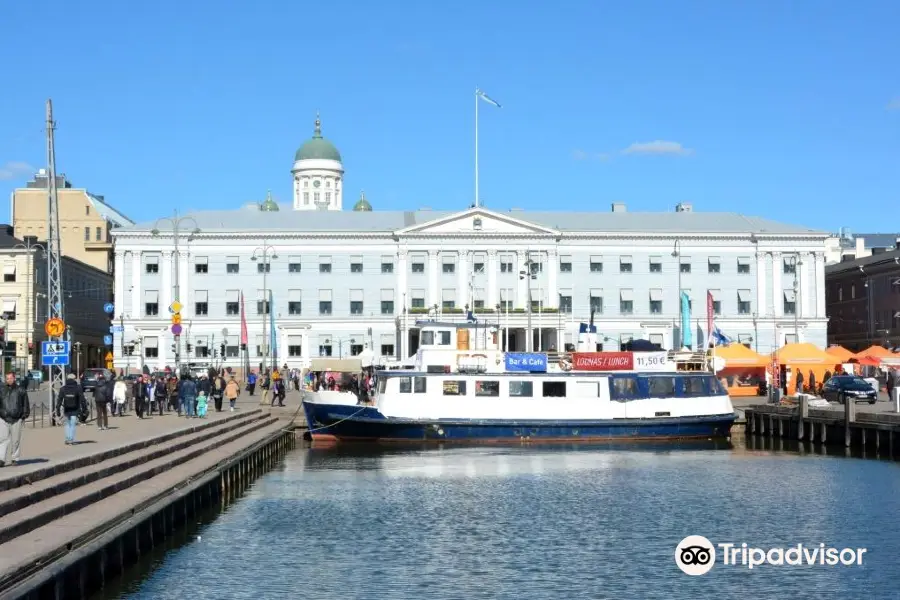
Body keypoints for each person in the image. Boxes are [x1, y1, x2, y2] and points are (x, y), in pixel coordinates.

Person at [0, 372, 31, 465]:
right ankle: (1, 459)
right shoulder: (1, 390)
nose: (9, 380)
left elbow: (26, 403)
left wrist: (24, 414)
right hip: (3, 418)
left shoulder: (21, 390)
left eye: (10, 378)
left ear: (14, 379)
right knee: (2, 439)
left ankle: (15, 458)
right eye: (7, 378)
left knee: (15, 440)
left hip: (16, 419)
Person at [56, 373, 86, 445]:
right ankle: (71, 439)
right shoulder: (78, 387)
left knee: (67, 424)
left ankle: (67, 438)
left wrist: (58, 410)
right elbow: (82, 399)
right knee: (72, 424)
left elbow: (59, 400)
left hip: (67, 408)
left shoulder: (63, 388)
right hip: (75, 408)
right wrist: (84, 408)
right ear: (74, 379)